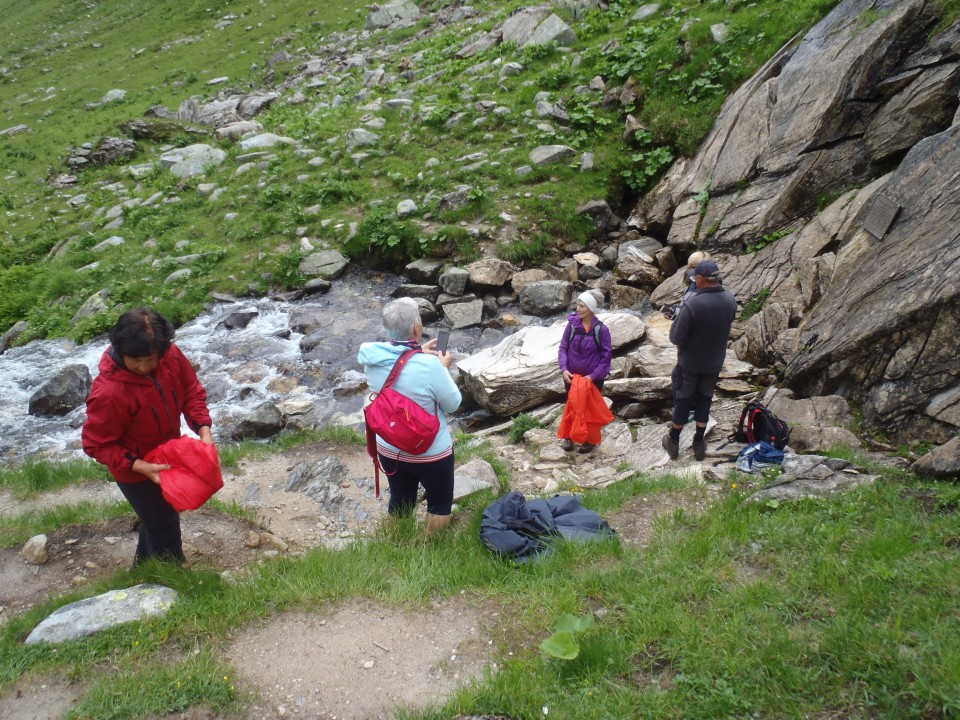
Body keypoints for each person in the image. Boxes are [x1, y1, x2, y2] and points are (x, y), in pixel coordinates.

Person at [82, 308, 214, 566]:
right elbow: (96, 444)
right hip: (133, 469)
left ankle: (143, 568)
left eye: (150, 359)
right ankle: (174, 577)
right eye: (136, 360)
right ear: (120, 350)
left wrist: (203, 429)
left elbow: (191, 390)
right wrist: (141, 467)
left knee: (156, 516)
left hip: (166, 454)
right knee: (165, 522)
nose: (144, 367)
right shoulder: (110, 392)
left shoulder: (171, 357)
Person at [357, 297, 462, 533]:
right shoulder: (430, 366)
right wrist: (442, 368)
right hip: (430, 452)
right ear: (417, 328)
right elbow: (453, 403)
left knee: (400, 499)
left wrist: (415, 353)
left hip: (389, 446)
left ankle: (397, 544)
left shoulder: (372, 360)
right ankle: (431, 550)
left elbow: (398, 370)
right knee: (439, 503)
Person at [663, 260, 737, 461]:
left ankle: (674, 439)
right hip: (714, 362)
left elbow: (675, 338)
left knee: (684, 400)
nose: (694, 279)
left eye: (696, 277)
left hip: (690, 363)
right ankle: (698, 442)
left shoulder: (693, 303)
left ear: (701, 280)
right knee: (704, 400)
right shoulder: (730, 299)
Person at [557, 289, 613, 454]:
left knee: (589, 409)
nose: (578, 309)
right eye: (577, 305)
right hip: (572, 377)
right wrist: (564, 369)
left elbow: (606, 357)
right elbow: (563, 348)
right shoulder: (572, 325)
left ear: (590, 308)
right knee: (572, 405)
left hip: (593, 379)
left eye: (581, 306)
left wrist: (593, 376)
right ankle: (569, 437)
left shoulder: (601, 330)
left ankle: (589, 439)